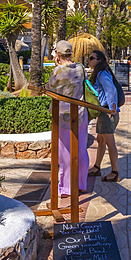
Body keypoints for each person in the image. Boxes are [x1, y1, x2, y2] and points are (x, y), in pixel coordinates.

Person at [47, 40, 90, 199]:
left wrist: (56, 65)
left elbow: (49, 88)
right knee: (81, 149)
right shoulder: (80, 68)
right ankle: (81, 184)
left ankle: (66, 188)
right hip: (80, 114)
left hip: (62, 115)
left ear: (58, 54)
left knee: (64, 152)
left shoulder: (58, 72)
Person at [86, 49, 121, 182]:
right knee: (101, 140)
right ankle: (96, 166)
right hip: (105, 112)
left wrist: (112, 109)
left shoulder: (101, 73)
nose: (89, 60)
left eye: (91, 58)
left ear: (99, 60)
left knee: (110, 143)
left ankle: (114, 172)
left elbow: (110, 90)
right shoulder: (101, 72)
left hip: (107, 113)